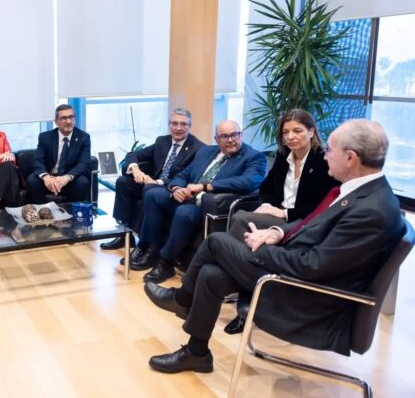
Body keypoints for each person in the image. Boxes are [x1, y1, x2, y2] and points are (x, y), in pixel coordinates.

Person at [143, 120, 403, 375]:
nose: (325, 156)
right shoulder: (361, 193)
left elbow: (312, 266)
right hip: (297, 270)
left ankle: (182, 300)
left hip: (309, 298)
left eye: (329, 150)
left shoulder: (372, 211)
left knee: (215, 242)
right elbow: (313, 223)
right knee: (212, 274)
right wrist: (276, 232)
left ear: (350, 158)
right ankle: (197, 353)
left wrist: (260, 250)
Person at [222, 109, 339, 334]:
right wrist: (269, 205)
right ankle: (243, 295)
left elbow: (320, 206)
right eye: (286, 132)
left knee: (241, 219)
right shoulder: (284, 155)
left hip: (302, 221)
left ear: (311, 131)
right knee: (245, 221)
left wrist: (283, 213)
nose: (291, 137)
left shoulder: (323, 161)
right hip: (274, 215)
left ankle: (239, 293)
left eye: (297, 131)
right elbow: (266, 188)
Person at [132, 120, 266, 283]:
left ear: (241, 135)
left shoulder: (254, 157)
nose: (230, 140)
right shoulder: (207, 151)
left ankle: (166, 262)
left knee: (184, 212)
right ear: (216, 139)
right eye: (224, 136)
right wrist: (176, 189)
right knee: (152, 194)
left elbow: (249, 181)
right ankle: (151, 249)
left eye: (234, 135)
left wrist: (206, 186)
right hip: (187, 196)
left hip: (207, 205)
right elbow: (185, 174)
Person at [101, 107, 205, 251]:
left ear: (190, 126)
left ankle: (143, 244)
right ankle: (123, 235)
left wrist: (158, 182)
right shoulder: (163, 141)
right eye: (174, 123)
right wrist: (136, 169)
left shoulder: (198, 148)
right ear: (169, 125)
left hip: (172, 189)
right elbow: (133, 154)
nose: (178, 128)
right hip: (151, 184)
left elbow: (188, 177)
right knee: (123, 182)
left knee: (149, 189)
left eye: (183, 124)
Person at [26, 104, 92, 204]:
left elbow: (84, 163)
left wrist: (67, 178)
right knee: (32, 180)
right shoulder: (45, 137)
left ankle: (73, 212)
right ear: (56, 122)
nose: (68, 121)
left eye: (71, 117)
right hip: (49, 178)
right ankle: (40, 212)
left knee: (82, 182)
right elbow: (38, 160)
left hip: (70, 179)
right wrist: (46, 177)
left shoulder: (83, 137)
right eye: (64, 118)